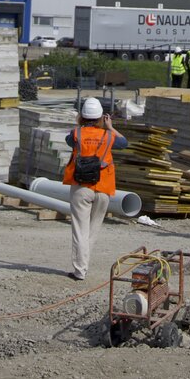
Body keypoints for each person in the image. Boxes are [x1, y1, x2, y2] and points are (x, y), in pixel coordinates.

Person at [61, 97, 127, 281]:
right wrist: (110, 127)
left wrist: (78, 123)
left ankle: (80, 270)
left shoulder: (76, 134)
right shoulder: (109, 136)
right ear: (101, 117)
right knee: (92, 230)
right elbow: (124, 143)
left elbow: (69, 139)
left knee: (80, 230)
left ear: (82, 116)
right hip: (103, 188)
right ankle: (84, 264)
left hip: (82, 187)